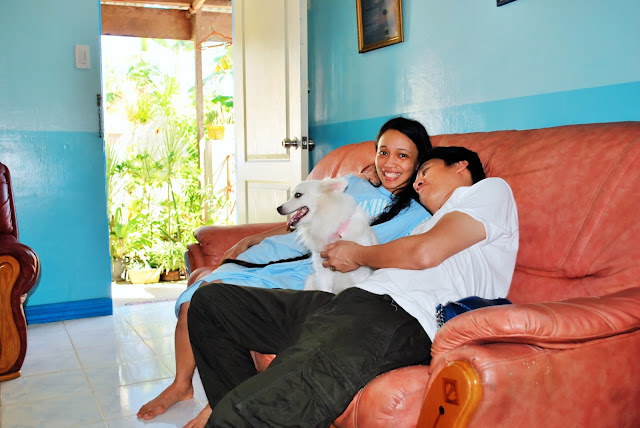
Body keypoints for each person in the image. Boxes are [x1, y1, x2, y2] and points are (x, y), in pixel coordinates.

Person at [186, 146, 519, 427]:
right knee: (212, 302)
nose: (417, 182)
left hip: (395, 316)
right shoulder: (428, 223)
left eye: (426, 171)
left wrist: (356, 253)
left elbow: (424, 253)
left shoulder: (489, 191)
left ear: (461, 166)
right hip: (351, 304)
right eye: (417, 177)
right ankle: (246, 401)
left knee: (241, 416)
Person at [137, 117, 433, 427]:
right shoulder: (352, 184)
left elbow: (403, 259)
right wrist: (257, 237)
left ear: (419, 163)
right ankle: (181, 384)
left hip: (321, 273)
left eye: (402, 155)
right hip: (289, 254)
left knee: (220, 302)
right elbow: (300, 215)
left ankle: (223, 405)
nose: (389, 163)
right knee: (199, 297)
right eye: (383, 152)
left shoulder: (417, 216)